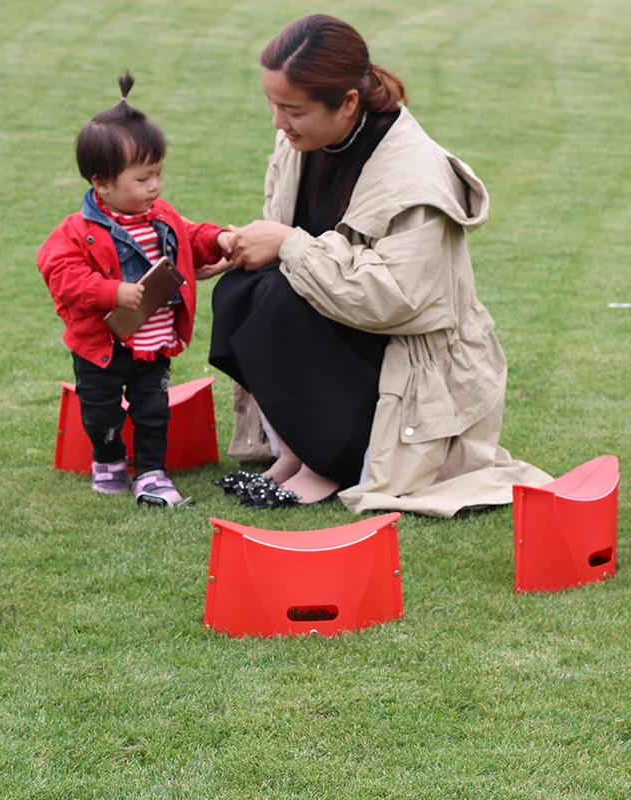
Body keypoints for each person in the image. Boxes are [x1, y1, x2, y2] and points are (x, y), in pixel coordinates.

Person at [203, 14, 551, 516]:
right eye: (271, 103)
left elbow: (396, 299)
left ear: (347, 103)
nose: (277, 122)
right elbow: (292, 238)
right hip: (341, 329)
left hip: (402, 349)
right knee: (241, 289)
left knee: (281, 295)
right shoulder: (301, 141)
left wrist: (287, 245)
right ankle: (297, 454)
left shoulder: (415, 176)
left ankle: (329, 465)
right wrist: (241, 243)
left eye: (292, 109)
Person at [39, 73, 232, 508]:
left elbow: (188, 235)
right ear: (101, 183)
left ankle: (151, 472)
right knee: (101, 411)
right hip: (103, 347)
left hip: (154, 343)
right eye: (143, 179)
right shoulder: (76, 232)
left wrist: (217, 240)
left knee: (153, 412)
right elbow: (62, 276)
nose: (155, 187)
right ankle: (108, 460)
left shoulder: (160, 215)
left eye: (159, 175)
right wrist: (111, 292)